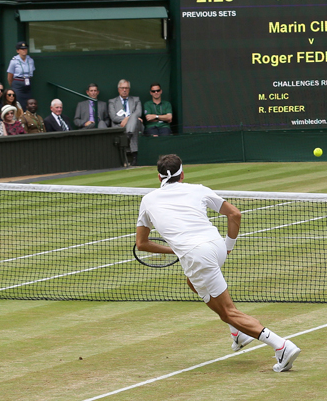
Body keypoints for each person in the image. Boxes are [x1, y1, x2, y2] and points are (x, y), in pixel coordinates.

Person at [135, 154, 301, 372]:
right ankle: (239, 333)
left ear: (159, 177)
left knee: (228, 311)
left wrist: (175, 250)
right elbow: (234, 215)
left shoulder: (148, 200)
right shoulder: (199, 189)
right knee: (193, 283)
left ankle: (281, 346)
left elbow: (142, 244)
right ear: (182, 174)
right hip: (216, 245)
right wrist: (228, 246)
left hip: (197, 255)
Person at [110, 79, 143, 165]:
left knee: (135, 118)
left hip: (135, 124)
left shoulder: (136, 99)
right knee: (134, 119)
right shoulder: (112, 101)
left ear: (129, 89)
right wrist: (127, 119)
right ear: (118, 89)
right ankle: (134, 155)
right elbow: (113, 117)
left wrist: (129, 118)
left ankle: (129, 135)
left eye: (126, 88)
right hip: (120, 125)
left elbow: (139, 112)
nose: (124, 90)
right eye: (122, 88)